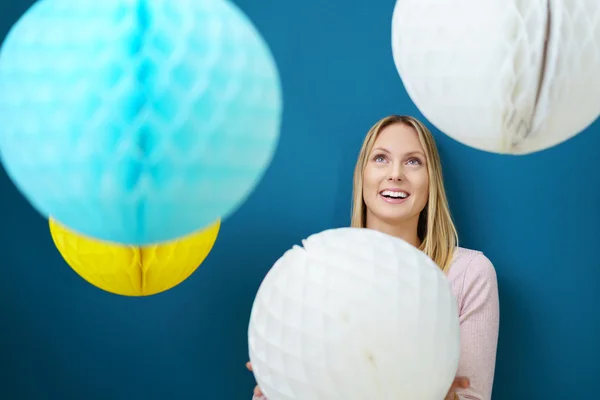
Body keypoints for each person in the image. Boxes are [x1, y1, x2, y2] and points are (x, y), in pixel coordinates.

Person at [246, 115, 500, 400]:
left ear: (432, 182)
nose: (395, 174)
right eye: (381, 158)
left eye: (414, 161)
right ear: (362, 175)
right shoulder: (313, 271)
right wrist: (276, 386)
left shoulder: (468, 274)